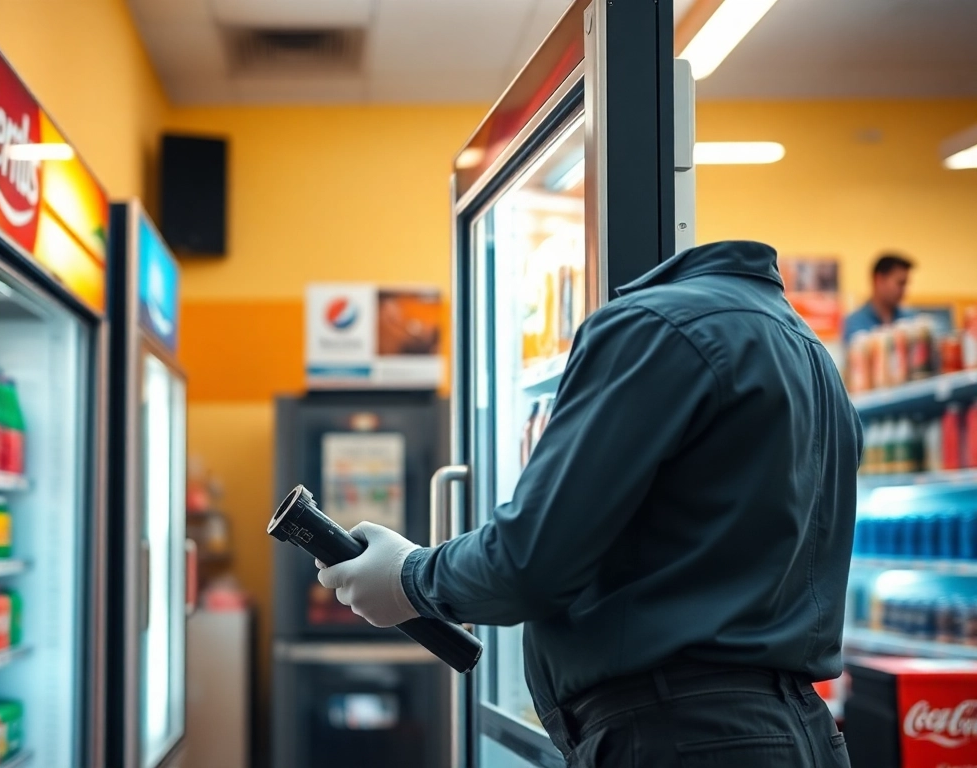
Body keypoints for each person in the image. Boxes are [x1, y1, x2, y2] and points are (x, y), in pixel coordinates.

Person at [316, 240, 861, 768]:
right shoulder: (810, 352)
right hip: (801, 734)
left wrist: (409, 577)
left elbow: (528, 564)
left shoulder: (650, 324)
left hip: (681, 734)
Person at [843, 252, 913, 340]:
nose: (904, 290)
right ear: (879, 280)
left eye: (906, 284)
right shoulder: (855, 322)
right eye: (900, 283)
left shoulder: (911, 320)